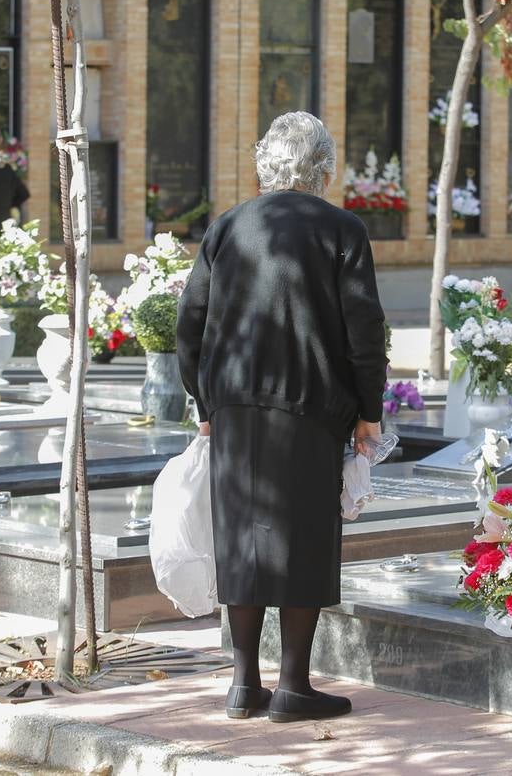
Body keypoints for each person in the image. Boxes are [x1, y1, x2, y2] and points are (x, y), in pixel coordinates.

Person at [176, 111, 387, 723]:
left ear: (265, 162)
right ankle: (294, 685)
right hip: (311, 407)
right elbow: (364, 331)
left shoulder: (227, 227)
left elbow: (191, 322)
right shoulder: (341, 229)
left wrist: (204, 401)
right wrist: (368, 412)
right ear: (323, 166)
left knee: (240, 538)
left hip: (234, 406)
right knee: (305, 540)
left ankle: (244, 684)